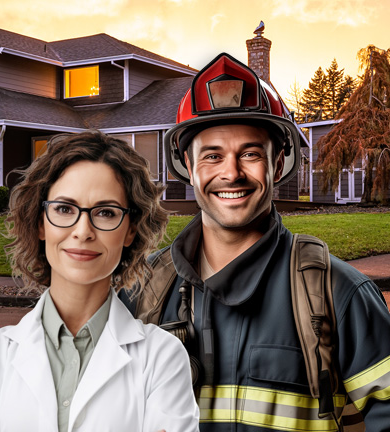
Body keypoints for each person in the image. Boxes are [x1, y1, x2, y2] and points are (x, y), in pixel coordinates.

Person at [121, 53, 390, 431]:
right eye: (212, 155)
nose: (231, 173)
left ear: (278, 163)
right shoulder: (141, 291)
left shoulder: (339, 294)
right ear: (188, 166)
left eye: (250, 154)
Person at [0, 131, 200, 432]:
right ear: (41, 223)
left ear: (131, 229)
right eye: (65, 209)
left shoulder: (163, 358)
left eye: (106, 213)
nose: (83, 230)